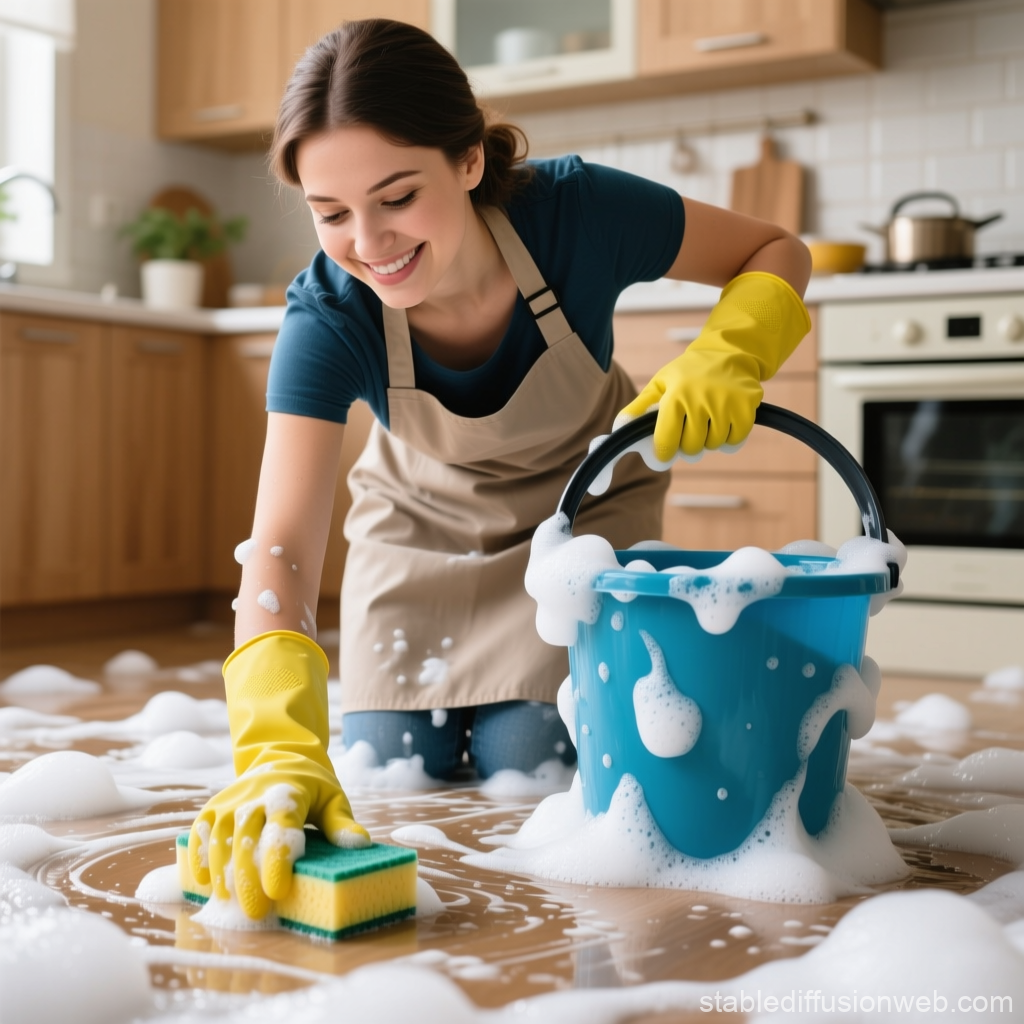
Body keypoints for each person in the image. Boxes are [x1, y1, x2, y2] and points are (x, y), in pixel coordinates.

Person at [188, 18, 812, 919]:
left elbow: (773, 249)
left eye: (397, 196)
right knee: (392, 760)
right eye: (331, 214)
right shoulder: (327, 319)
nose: (368, 242)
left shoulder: (579, 214)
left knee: (537, 759)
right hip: (418, 531)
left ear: (470, 160)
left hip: (585, 517)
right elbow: (279, 548)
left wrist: (732, 353)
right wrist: (274, 748)